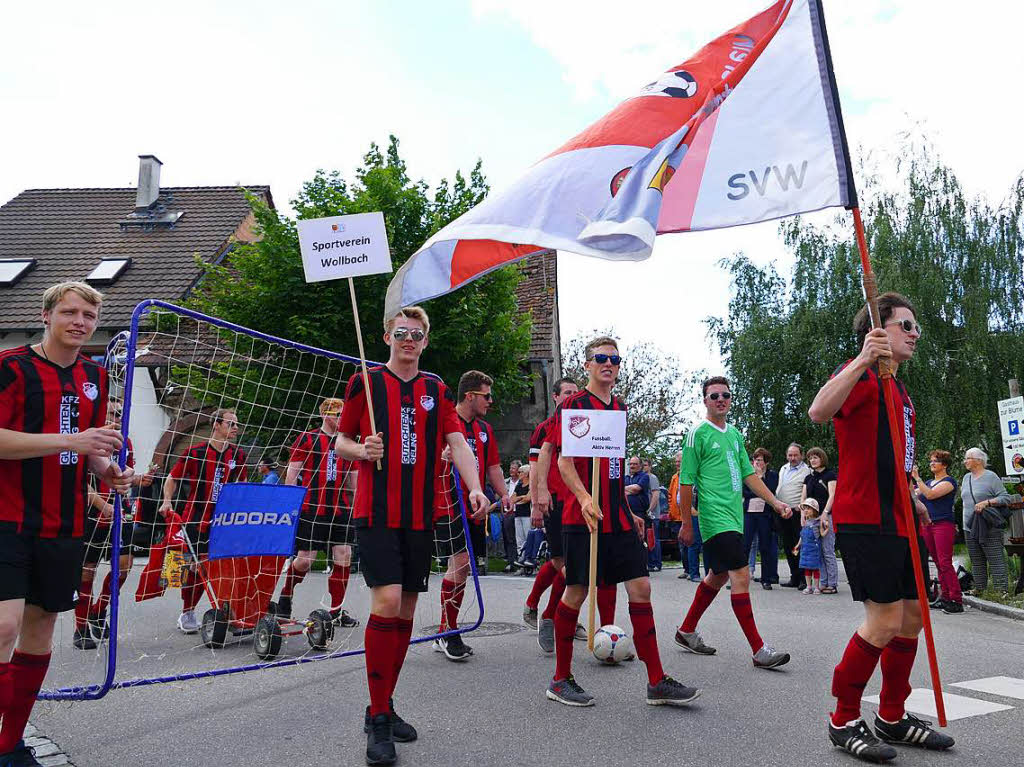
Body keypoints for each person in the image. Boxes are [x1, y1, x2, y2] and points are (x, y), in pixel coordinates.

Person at [336, 305, 489, 766]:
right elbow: (339, 440)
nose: (408, 339)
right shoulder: (364, 381)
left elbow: (457, 442)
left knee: (405, 611)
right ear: (386, 336)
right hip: (377, 512)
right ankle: (379, 721)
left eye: (417, 334)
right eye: (401, 332)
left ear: (425, 341)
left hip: (421, 517)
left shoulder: (435, 389)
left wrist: (476, 485)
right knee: (385, 603)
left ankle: (382, 703)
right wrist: (362, 448)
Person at [809, 291, 954, 760]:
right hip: (863, 517)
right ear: (879, 330)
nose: (915, 335)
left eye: (916, 328)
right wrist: (861, 361)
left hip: (897, 516)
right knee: (885, 619)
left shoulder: (898, 389)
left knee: (912, 617)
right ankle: (843, 718)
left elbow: (898, 454)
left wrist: (912, 495)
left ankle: (892, 717)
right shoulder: (861, 376)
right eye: (905, 326)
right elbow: (818, 411)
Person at [0, 282, 133, 764]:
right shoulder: (12, 366)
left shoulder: (95, 375)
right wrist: (71, 442)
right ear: (47, 315)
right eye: (70, 313)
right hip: (8, 516)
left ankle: (11, 744)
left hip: (64, 522)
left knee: (38, 630)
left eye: (89, 316)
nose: (80, 322)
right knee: (4, 626)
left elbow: (92, 450)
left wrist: (110, 471)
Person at [546, 336, 700, 707]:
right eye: (600, 358)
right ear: (587, 365)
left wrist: (627, 511)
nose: (608, 364)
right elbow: (565, 462)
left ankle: (656, 680)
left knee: (641, 588)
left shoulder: (619, 408)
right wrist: (584, 498)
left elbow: (613, 468)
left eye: (615, 359)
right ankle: (560, 678)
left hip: (617, 517)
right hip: (582, 517)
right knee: (578, 592)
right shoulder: (573, 406)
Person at [675, 377, 792, 669]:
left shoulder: (735, 435)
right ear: (705, 401)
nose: (720, 399)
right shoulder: (697, 434)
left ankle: (686, 630)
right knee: (741, 575)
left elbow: (749, 476)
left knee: (718, 575)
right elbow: (686, 482)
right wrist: (687, 523)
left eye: (725, 395)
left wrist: (774, 502)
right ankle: (759, 650)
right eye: (714, 395)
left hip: (735, 518)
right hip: (715, 519)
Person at [434, 370, 510, 662]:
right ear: (470, 396)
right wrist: (440, 459)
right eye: (487, 396)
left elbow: (493, 468)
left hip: (475, 506)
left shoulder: (484, 430)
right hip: (446, 501)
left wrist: (503, 494)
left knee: (464, 568)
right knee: (460, 562)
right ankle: (448, 630)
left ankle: (446, 626)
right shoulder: (442, 421)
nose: (491, 401)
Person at [159, 408, 248, 634]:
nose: (236, 428)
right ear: (216, 425)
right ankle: (187, 612)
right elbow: (171, 478)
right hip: (195, 519)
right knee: (195, 567)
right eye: (231, 424)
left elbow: (243, 486)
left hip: (225, 521)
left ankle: (228, 614)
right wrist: (167, 501)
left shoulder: (238, 456)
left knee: (224, 568)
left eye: (237, 424)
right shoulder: (195, 453)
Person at [276, 398, 358, 627]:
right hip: (312, 509)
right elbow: (292, 474)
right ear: (325, 415)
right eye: (338, 414)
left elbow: (355, 479)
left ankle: (336, 610)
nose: (342, 418)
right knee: (305, 561)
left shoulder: (348, 442)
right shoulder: (308, 438)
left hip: (340, 509)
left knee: (344, 555)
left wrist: (360, 504)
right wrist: (289, 505)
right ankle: (286, 595)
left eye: (344, 413)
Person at [77, 398, 151, 647]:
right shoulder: (87, 439)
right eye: (112, 412)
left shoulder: (125, 442)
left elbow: (124, 476)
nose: (117, 417)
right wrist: (102, 504)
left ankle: (99, 610)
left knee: (124, 565)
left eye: (120, 413)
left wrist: (140, 479)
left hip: (121, 511)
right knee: (88, 568)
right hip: (91, 513)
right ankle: (81, 627)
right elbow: (78, 481)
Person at [525, 377, 583, 653]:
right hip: (555, 501)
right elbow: (536, 468)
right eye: (567, 393)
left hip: (580, 501)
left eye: (576, 392)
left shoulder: (581, 425)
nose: (572, 397)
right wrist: (538, 501)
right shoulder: (544, 429)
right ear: (556, 397)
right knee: (562, 561)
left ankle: (556, 611)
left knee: (572, 563)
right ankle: (544, 611)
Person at [912, 450, 961, 613]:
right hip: (928, 525)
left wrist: (917, 478)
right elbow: (915, 495)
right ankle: (945, 596)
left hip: (943, 525)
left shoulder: (949, 482)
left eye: (936, 461)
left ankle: (956, 599)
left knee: (945, 562)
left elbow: (931, 495)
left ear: (944, 465)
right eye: (931, 461)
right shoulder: (928, 482)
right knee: (938, 563)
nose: (932, 463)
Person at [960, 447, 1012, 595]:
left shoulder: (991, 477)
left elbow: (1005, 498)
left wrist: (987, 503)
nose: (965, 461)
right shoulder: (966, 478)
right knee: (976, 559)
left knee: (995, 557)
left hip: (988, 525)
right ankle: (979, 588)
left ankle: (1001, 591)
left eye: (968, 458)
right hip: (969, 526)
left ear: (978, 460)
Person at [802, 447, 838, 594]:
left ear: (822, 458)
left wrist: (825, 513)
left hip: (826, 516)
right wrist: (802, 516)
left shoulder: (830, 475)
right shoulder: (809, 478)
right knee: (817, 551)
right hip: (811, 519)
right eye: (810, 458)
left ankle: (832, 583)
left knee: (827, 550)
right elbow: (803, 498)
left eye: (815, 457)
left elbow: (833, 495)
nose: (813, 460)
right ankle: (822, 583)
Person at [742, 448, 779, 589]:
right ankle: (741, 578)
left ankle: (766, 579)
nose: (756, 462)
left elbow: (770, 491)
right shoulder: (748, 476)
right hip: (749, 514)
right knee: (745, 546)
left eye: (760, 460)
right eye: (755, 460)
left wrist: (760, 478)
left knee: (765, 546)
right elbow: (745, 491)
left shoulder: (772, 475)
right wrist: (757, 490)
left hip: (765, 515)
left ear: (766, 462)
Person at [776, 443, 811, 589]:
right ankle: (794, 577)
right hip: (783, 512)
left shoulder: (806, 470)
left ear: (801, 455)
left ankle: (804, 578)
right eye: (790, 455)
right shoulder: (783, 468)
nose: (793, 458)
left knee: (800, 545)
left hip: (797, 512)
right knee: (788, 545)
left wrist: (802, 507)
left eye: (795, 455)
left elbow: (809, 491)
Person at [793, 498, 823, 594]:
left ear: (815, 510)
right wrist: (798, 545)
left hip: (814, 549)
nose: (806, 510)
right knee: (807, 569)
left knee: (815, 569)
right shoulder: (805, 523)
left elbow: (822, 534)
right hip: (805, 549)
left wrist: (825, 527)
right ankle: (809, 586)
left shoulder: (818, 522)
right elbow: (802, 536)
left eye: (808, 508)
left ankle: (817, 587)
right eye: (804, 508)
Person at [642, 459, 663, 571]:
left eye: (645, 465)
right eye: (642, 465)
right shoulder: (641, 478)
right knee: (647, 539)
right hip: (645, 514)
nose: (643, 467)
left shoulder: (652, 478)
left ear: (650, 466)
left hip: (652, 515)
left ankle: (656, 563)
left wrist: (649, 509)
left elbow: (655, 495)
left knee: (654, 539)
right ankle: (649, 563)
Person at [511, 464, 533, 562]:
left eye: (520, 472)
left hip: (527, 514)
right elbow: (512, 499)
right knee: (519, 539)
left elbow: (528, 498)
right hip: (518, 514)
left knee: (527, 537)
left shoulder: (531, 485)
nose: (518, 473)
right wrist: (521, 497)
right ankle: (521, 559)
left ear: (527, 474)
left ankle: (528, 558)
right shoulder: (519, 486)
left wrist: (519, 499)